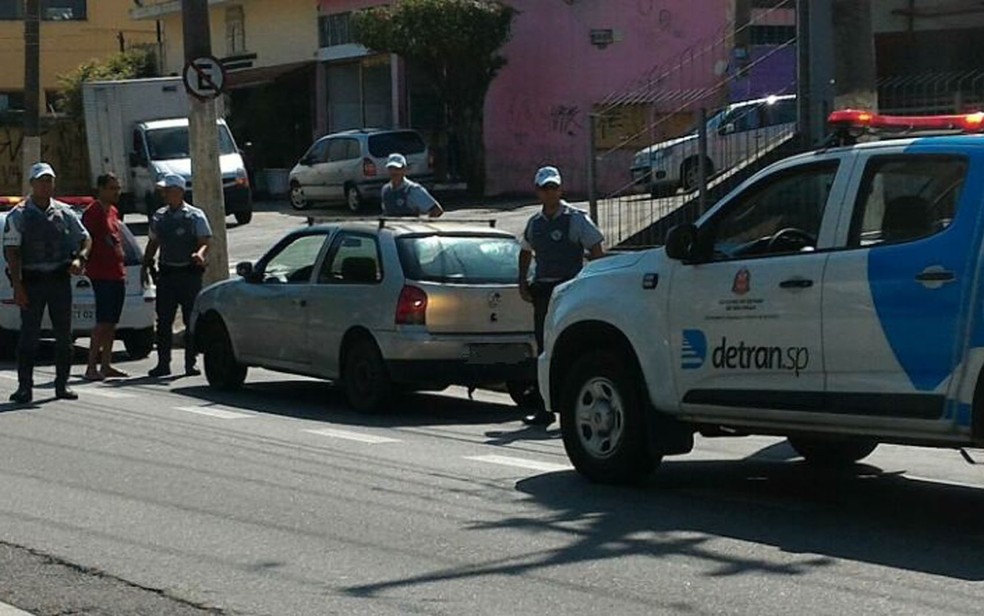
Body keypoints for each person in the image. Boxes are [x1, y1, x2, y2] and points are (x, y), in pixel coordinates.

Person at [518, 165, 605, 426]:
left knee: (570, 346)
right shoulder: (535, 223)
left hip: (569, 291)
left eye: (554, 187)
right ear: (537, 191)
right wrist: (522, 281)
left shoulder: (575, 218)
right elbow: (525, 251)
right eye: (545, 188)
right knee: (544, 348)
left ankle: (572, 407)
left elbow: (596, 249)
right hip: (544, 292)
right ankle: (544, 408)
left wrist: (594, 281)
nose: (550, 192)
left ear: (560, 189)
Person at [3, 162, 91, 403]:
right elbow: (12, 252)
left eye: (49, 180)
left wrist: (80, 259)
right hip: (32, 282)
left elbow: (85, 239)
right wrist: (18, 287)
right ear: (32, 184)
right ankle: (24, 388)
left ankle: (62, 385)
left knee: (64, 335)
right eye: (41, 181)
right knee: (29, 336)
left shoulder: (65, 212)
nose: (46, 185)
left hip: (59, 281)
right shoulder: (20, 215)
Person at [141, 173, 212, 378]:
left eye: (168, 191)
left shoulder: (195, 216)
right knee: (163, 322)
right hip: (167, 275)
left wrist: (199, 254)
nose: (165, 195)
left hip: (189, 275)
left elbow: (205, 240)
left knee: (192, 320)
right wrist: (146, 264)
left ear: (179, 192)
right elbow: (153, 242)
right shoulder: (160, 217)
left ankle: (191, 363)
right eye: (164, 191)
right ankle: (163, 364)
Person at [81, 173, 129, 381]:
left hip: (117, 272)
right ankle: (91, 367)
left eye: (117, 188)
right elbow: (85, 239)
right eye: (111, 188)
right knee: (102, 322)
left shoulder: (114, 211)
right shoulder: (94, 211)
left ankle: (106, 365)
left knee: (111, 323)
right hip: (101, 274)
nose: (116, 192)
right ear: (100, 189)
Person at [380, 153, 444, 218]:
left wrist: (424, 225)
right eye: (391, 168)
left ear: (404, 170)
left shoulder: (413, 190)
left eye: (397, 169)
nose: (394, 172)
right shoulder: (385, 190)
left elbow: (436, 210)